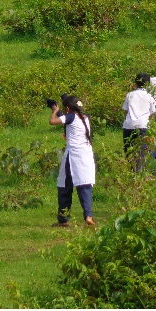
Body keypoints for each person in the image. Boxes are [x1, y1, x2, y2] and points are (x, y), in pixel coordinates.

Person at [48, 96, 95, 227]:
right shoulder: (85, 117)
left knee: (64, 186)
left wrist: (54, 111)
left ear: (68, 108)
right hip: (85, 155)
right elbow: (67, 119)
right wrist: (59, 110)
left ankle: (63, 219)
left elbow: (53, 121)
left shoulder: (71, 117)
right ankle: (88, 215)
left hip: (73, 156)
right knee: (84, 185)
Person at [121, 73, 156, 171]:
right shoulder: (150, 96)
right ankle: (140, 171)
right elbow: (152, 114)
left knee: (128, 148)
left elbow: (125, 110)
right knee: (142, 149)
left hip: (128, 125)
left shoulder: (130, 95)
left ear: (135, 83)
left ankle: (131, 169)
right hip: (143, 125)